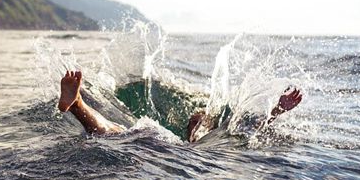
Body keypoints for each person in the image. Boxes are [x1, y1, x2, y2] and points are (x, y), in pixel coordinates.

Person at [58, 70, 302, 142]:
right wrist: (277, 111)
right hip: (165, 147)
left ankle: (78, 104)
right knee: (115, 132)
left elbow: (249, 127)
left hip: (158, 145)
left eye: (197, 122)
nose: (195, 123)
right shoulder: (212, 138)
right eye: (194, 122)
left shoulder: (220, 133)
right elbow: (250, 129)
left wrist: (277, 110)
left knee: (115, 132)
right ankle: (77, 103)